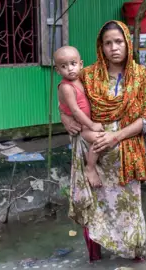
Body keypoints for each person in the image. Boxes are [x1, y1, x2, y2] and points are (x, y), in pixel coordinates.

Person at [60, 20, 146, 262]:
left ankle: (135, 259)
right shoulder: (87, 75)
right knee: (94, 207)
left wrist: (116, 136)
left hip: (125, 154)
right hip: (92, 153)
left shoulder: (141, 76)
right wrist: (64, 119)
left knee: (129, 210)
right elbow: (67, 95)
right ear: (100, 47)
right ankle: (95, 259)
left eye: (118, 42)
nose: (114, 48)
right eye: (107, 43)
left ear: (127, 43)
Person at [54, 46, 104, 188]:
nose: (70, 69)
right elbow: (75, 111)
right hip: (82, 127)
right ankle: (90, 167)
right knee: (99, 140)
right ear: (58, 70)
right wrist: (92, 125)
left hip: (87, 123)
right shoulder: (66, 87)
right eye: (64, 66)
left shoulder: (82, 79)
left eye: (73, 64)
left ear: (81, 64)